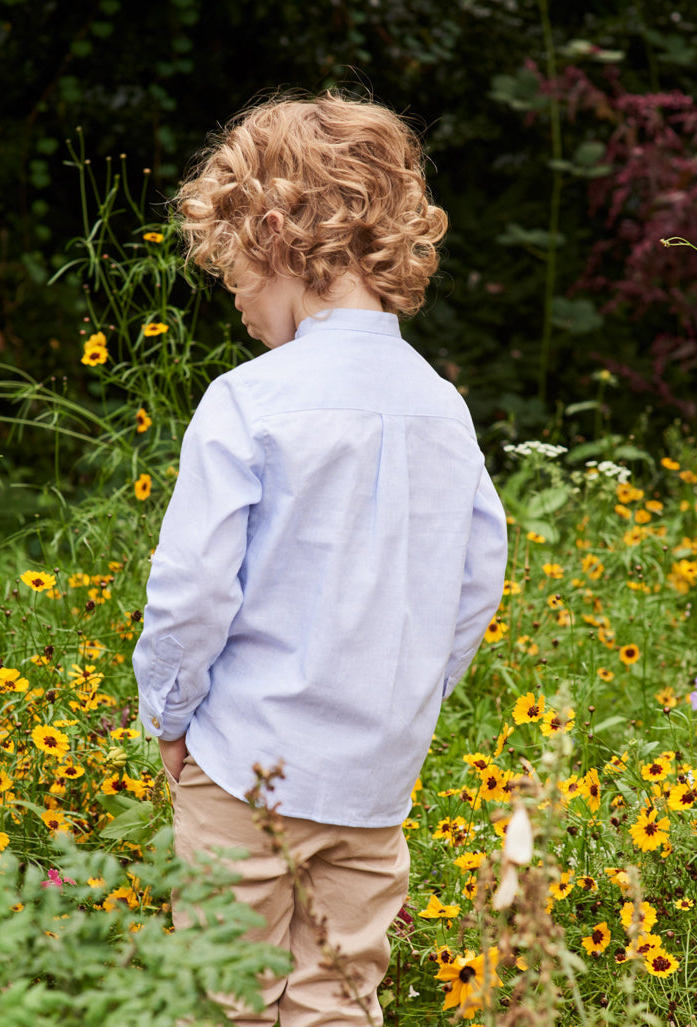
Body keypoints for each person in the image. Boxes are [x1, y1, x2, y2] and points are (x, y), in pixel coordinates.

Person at [133, 90, 508, 1027]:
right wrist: (408, 700)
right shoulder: (443, 408)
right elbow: (474, 584)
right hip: (373, 784)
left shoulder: (250, 401)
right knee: (339, 996)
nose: (241, 307)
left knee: (219, 995)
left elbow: (192, 588)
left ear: (270, 235)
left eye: (235, 280)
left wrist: (170, 712)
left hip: (243, 772)